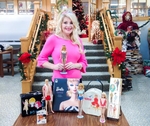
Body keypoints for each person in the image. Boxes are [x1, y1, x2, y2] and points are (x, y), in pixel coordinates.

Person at [37, 9, 88, 83]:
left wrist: (75, 65)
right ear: (60, 24)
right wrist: (54, 67)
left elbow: (83, 62)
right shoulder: (53, 39)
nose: (68, 26)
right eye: (65, 23)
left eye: (71, 23)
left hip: (76, 82)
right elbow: (41, 59)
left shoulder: (77, 40)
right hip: (59, 81)